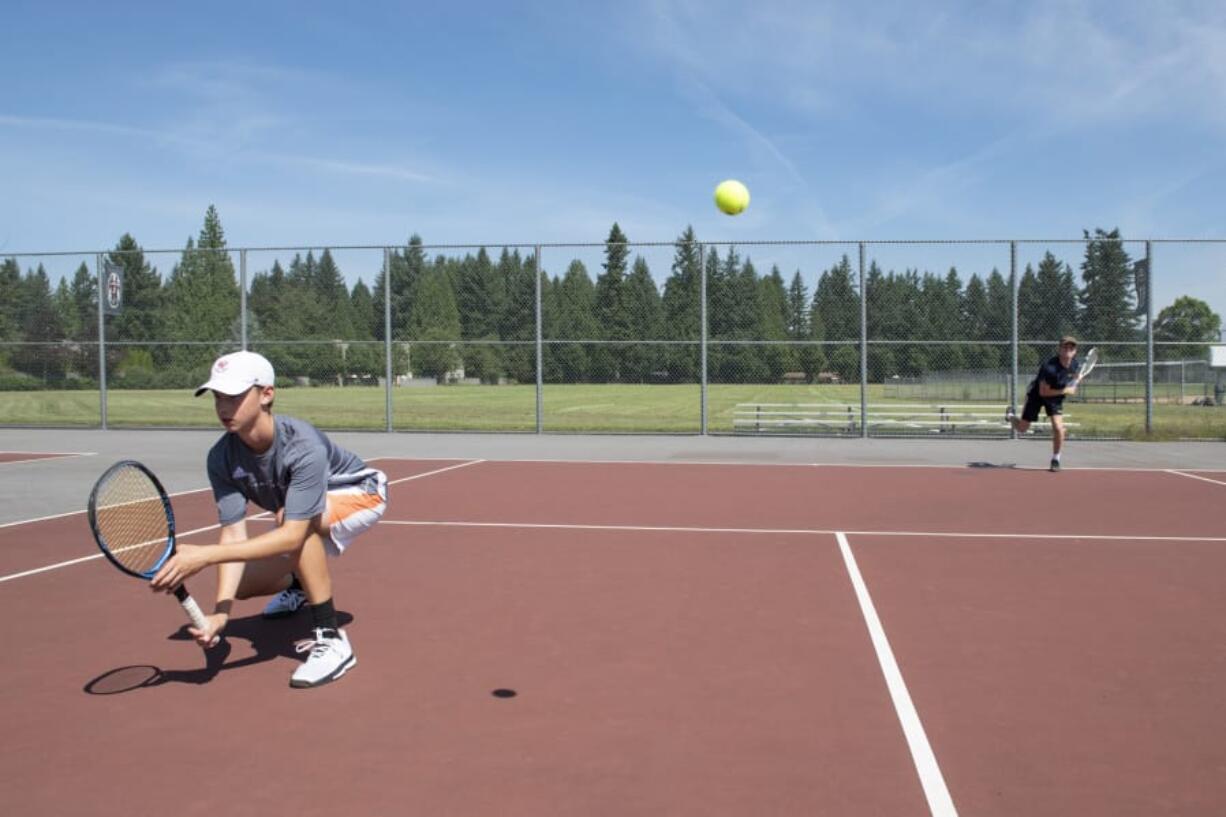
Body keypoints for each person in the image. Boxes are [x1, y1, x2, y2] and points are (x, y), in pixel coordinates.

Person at [150, 350, 387, 688]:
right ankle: (300, 585)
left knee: (295, 524)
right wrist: (222, 613)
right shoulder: (221, 457)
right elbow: (233, 535)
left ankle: (332, 639)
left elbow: (292, 535)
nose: (223, 407)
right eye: (218, 397)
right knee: (243, 583)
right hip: (299, 515)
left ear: (266, 394)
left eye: (233, 396)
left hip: (362, 493)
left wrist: (202, 556)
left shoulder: (301, 445)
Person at [1006, 336, 1084, 472]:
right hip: (1037, 395)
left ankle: (1056, 459)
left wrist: (1075, 382)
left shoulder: (1075, 364)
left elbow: (1073, 381)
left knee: (1059, 428)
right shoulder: (1049, 367)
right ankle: (1011, 416)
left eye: (1071, 347)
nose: (1068, 349)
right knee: (1022, 429)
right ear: (1059, 349)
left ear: (1075, 351)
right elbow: (1043, 392)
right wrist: (1066, 390)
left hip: (1055, 398)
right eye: (1065, 347)